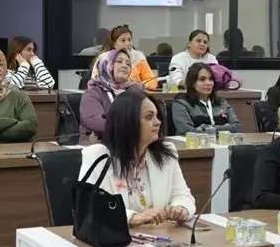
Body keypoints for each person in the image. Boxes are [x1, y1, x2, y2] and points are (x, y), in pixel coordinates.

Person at [79, 91, 195, 226]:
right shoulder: (98, 156)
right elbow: (89, 207)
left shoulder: (166, 154)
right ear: (127, 122)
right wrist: (133, 218)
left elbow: (183, 196)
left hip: (158, 235)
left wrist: (181, 208)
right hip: (115, 237)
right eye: (149, 117)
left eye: (157, 116)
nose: (158, 122)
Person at [80, 48, 139, 141]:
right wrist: (132, 127)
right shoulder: (92, 93)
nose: (124, 65)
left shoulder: (134, 91)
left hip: (130, 142)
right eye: (119, 61)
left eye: (128, 64)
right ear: (105, 64)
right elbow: (96, 123)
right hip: (98, 143)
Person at [172, 63, 242, 134]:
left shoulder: (221, 102)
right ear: (192, 83)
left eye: (210, 79)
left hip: (222, 141)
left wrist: (205, 128)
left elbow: (236, 127)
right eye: (202, 79)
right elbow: (187, 131)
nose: (208, 83)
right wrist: (225, 128)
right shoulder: (181, 104)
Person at [92, 25, 156, 89]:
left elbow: (152, 81)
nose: (127, 43)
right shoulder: (103, 58)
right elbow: (95, 81)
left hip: (135, 93)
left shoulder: (139, 57)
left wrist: (141, 85)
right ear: (114, 43)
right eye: (123, 40)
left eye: (129, 40)